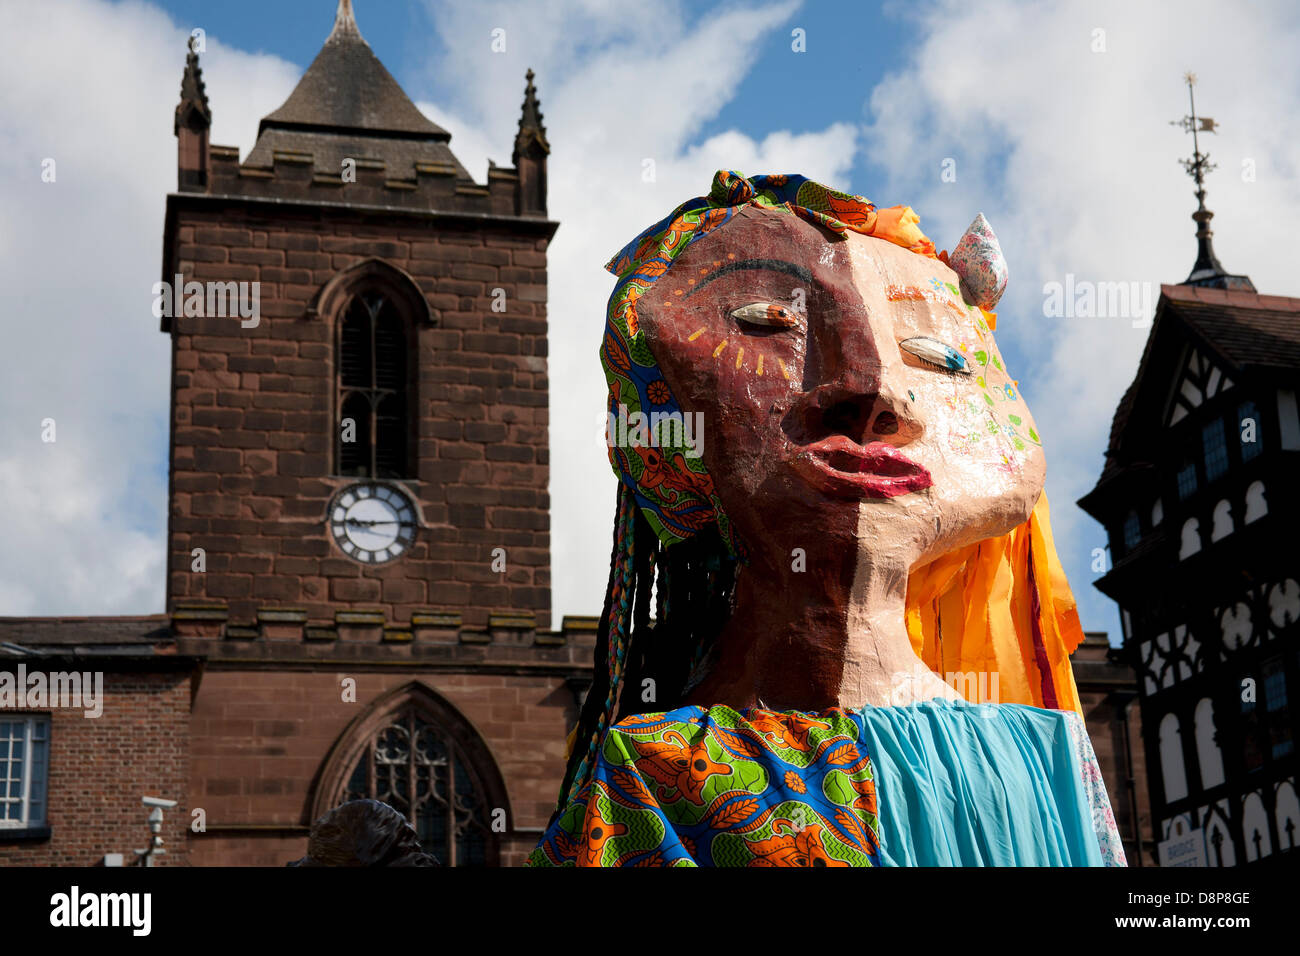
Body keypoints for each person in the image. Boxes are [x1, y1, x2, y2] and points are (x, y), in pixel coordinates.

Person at [529, 171, 1125, 867]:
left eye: (937, 356)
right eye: (765, 322)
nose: (872, 388)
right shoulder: (656, 768)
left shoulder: (1044, 758)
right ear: (658, 421)